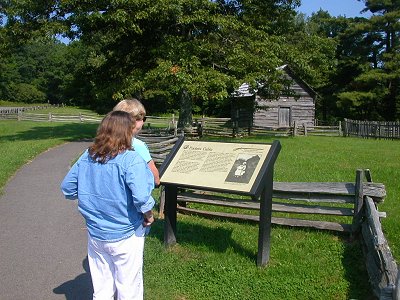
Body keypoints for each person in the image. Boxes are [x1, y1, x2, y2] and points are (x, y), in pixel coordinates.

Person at [61, 110, 155, 300]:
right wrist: (149, 216)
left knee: (102, 288)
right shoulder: (131, 159)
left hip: (96, 233)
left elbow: (68, 188)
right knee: (129, 288)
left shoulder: (89, 155)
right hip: (126, 233)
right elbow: (141, 198)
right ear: (127, 132)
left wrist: (91, 196)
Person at [113, 98, 160, 186]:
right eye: (142, 118)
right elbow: (155, 178)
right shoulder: (138, 146)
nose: (143, 122)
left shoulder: (104, 143)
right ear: (133, 121)